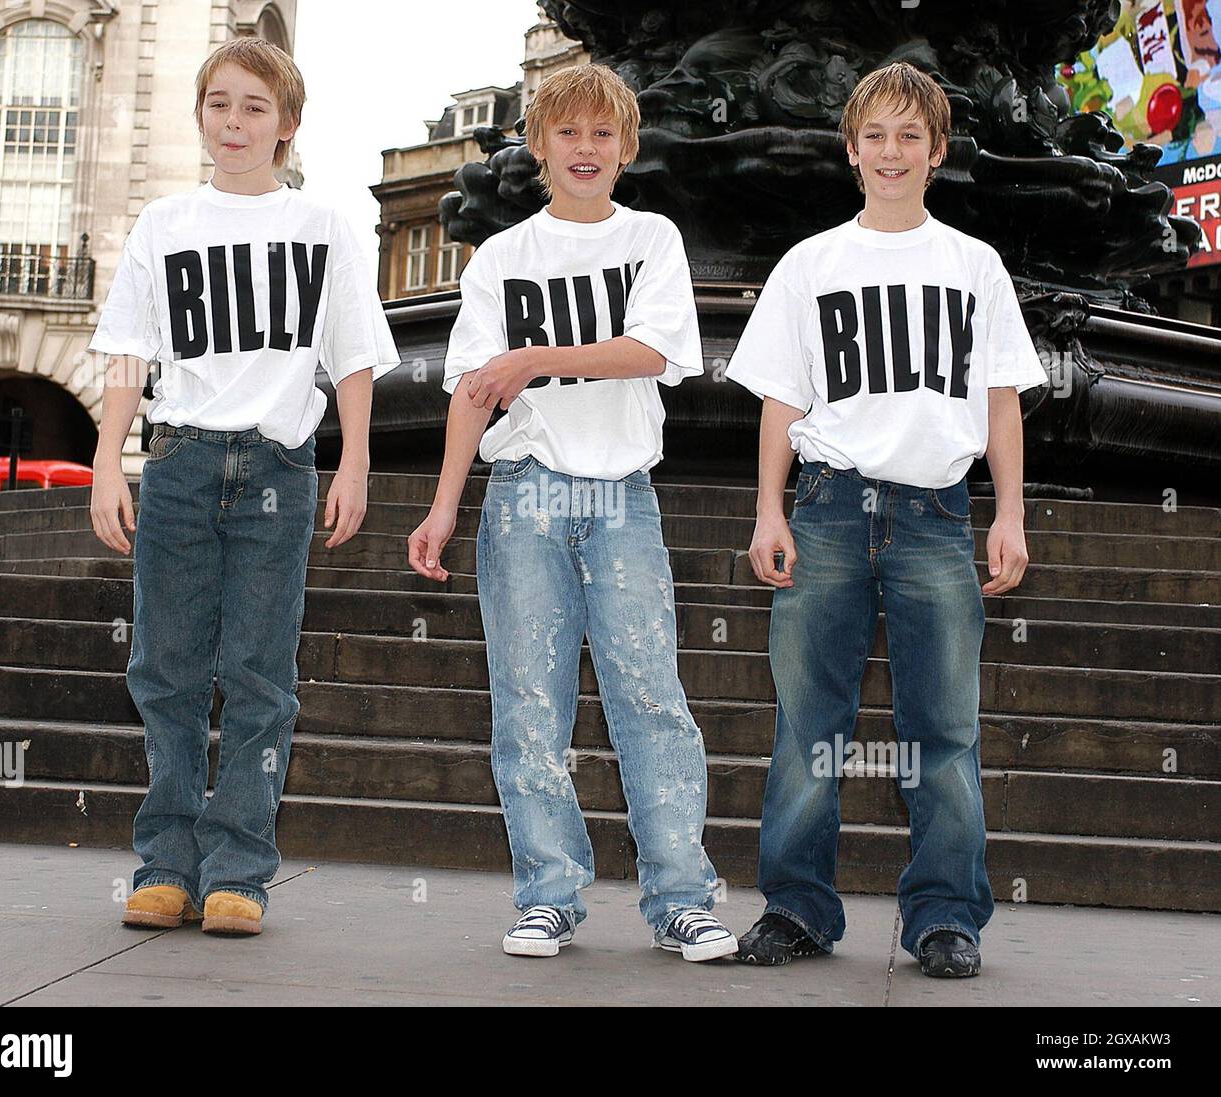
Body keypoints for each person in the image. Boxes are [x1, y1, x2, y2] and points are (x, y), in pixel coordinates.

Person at [725, 61, 1048, 977]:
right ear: (851, 149)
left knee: (943, 729)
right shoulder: (810, 263)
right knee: (807, 723)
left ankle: (946, 916)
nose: (892, 151)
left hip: (938, 514)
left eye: (911, 136)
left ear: (936, 152)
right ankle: (796, 906)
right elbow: (781, 400)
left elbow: (1001, 402)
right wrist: (767, 509)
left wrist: (1011, 512)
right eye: (876, 135)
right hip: (828, 507)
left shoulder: (973, 265)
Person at [407, 63, 736, 962]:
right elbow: (472, 394)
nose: (585, 149)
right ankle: (548, 891)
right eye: (568, 133)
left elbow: (655, 350)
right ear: (539, 146)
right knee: (526, 704)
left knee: (651, 697)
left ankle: (681, 899)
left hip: (622, 493)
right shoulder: (503, 257)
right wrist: (443, 507)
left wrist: (533, 360)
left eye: (602, 134)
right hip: (523, 498)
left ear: (625, 148)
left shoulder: (652, 238)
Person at [88, 37, 399, 936]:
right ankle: (165, 862)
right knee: (165, 670)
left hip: (277, 467)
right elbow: (128, 354)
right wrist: (109, 460)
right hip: (180, 461)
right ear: (201, 116)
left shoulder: (324, 227)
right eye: (220, 104)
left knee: (260, 676)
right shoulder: (164, 223)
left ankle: (238, 869)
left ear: (287, 126)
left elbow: (353, 359)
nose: (235, 122)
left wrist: (358, 462)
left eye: (255, 108)